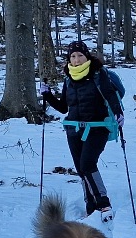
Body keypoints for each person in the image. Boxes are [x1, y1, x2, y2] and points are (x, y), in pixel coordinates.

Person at [40, 41, 124, 223]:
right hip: (73, 129)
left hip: (97, 127)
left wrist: (118, 112)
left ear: (87, 56)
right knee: (81, 170)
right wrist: (48, 95)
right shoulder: (68, 78)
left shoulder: (98, 74)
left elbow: (110, 95)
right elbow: (64, 107)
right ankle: (91, 207)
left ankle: (103, 204)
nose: (77, 60)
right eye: (73, 56)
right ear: (69, 59)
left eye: (80, 56)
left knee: (87, 164)